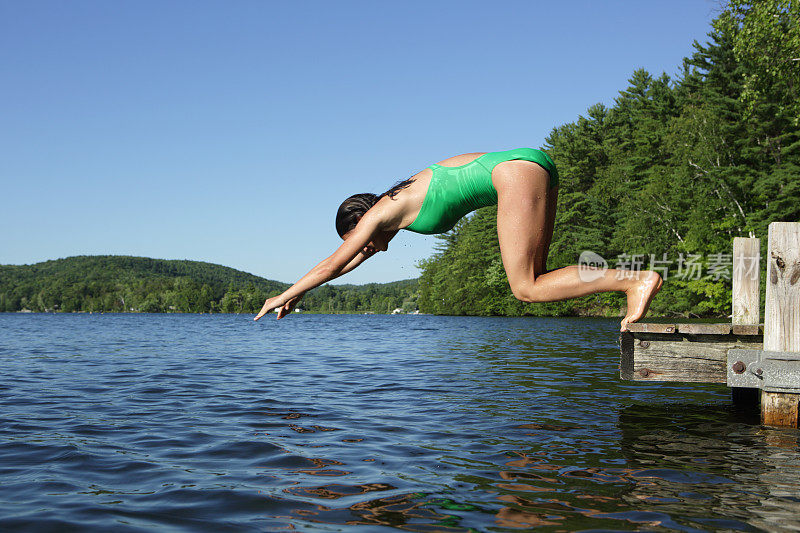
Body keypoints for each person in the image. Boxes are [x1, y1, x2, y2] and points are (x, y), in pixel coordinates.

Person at [254, 147, 662, 331]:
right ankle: (632, 281)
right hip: (531, 165)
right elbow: (343, 266)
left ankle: (635, 281)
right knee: (537, 278)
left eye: (360, 239)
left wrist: (281, 293)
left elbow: (332, 261)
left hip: (514, 175)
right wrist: (302, 295)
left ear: (363, 221)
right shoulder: (395, 207)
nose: (365, 249)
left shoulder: (382, 212)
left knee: (524, 289)